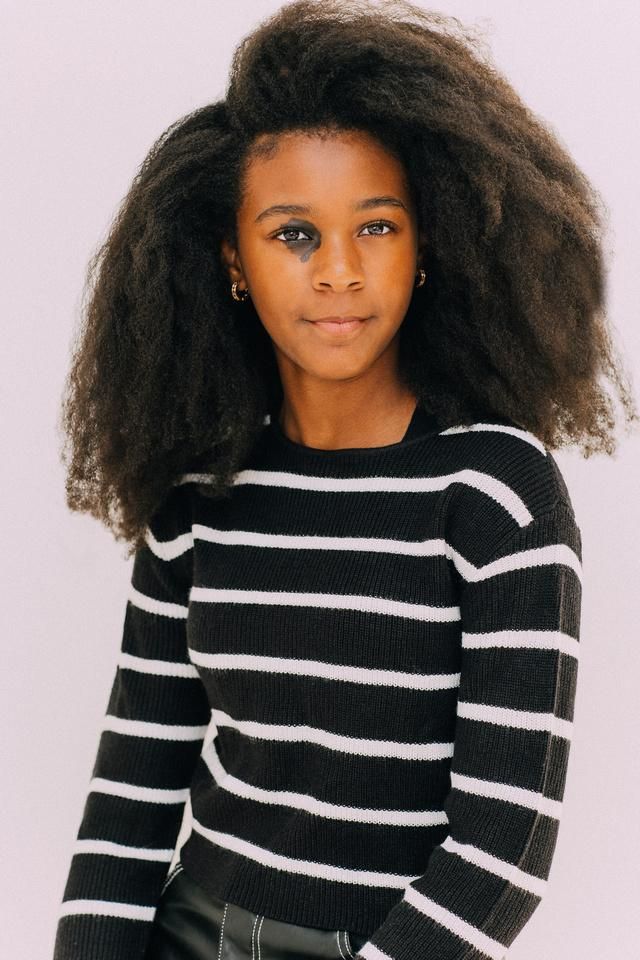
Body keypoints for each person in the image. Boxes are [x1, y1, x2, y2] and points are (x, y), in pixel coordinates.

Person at [52, 2, 638, 959]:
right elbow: (130, 796)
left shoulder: (493, 495)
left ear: (427, 245)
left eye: (377, 226)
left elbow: (503, 852)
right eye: (293, 234)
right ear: (233, 259)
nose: (339, 271)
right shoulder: (198, 500)